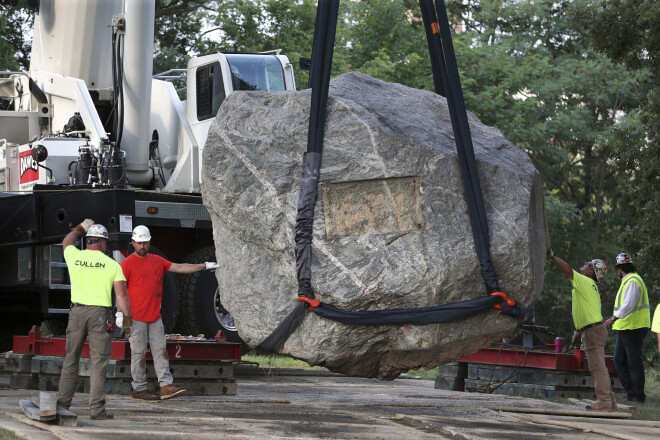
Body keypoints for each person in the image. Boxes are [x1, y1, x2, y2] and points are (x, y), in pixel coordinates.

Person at [121, 225, 219, 402]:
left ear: (150, 242)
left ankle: (166, 386)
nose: (142, 246)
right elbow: (120, 292)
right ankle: (139, 389)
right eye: (139, 243)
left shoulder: (157, 261)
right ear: (133, 243)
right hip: (136, 318)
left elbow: (180, 267)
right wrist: (123, 314)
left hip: (155, 318)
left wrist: (204, 265)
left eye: (145, 243)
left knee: (160, 351)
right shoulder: (126, 264)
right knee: (138, 353)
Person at [58, 219, 130, 420]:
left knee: (71, 361)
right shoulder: (113, 265)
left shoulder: (75, 256)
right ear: (103, 243)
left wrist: (80, 229)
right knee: (98, 363)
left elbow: (67, 241)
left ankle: (62, 406)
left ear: (88, 241)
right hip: (100, 315)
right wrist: (128, 322)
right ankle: (97, 411)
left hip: (77, 313)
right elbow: (122, 296)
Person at [549, 250, 616, 411]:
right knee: (600, 366)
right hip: (594, 330)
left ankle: (604, 401)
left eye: (587, 264)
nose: (584, 264)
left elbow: (568, 271)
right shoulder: (590, 285)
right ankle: (610, 400)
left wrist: (552, 256)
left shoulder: (585, 281)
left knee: (597, 367)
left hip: (593, 332)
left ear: (591, 272)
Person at [604, 252, 650, 404]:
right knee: (619, 360)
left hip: (633, 328)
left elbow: (628, 305)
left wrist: (612, 319)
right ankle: (631, 393)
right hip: (626, 328)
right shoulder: (628, 280)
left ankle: (638, 396)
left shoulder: (632, 281)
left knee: (634, 363)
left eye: (617, 268)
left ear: (620, 268)